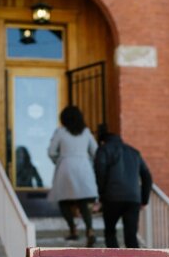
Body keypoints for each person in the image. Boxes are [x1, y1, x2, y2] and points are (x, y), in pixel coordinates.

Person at [48, 106, 101, 246]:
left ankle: (73, 229)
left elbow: (52, 151)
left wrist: (58, 161)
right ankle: (90, 229)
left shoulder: (60, 132)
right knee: (84, 200)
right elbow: (95, 151)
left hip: (66, 167)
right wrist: (88, 161)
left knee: (63, 200)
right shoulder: (86, 132)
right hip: (84, 167)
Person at [94, 125, 152, 248]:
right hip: (133, 198)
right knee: (131, 236)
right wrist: (144, 199)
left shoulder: (103, 150)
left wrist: (102, 194)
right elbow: (147, 176)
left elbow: (100, 173)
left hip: (112, 197)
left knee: (110, 232)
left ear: (103, 141)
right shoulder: (134, 152)